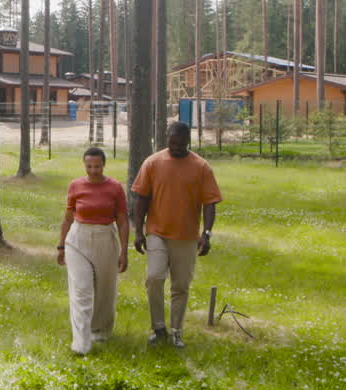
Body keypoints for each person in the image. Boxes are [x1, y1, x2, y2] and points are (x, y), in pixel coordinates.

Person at [131, 121, 222, 349]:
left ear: (188, 141)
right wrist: (138, 231)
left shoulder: (201, 167)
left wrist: (206, 233)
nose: (176, 147)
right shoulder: (153, 163)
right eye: (172, 143)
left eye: (181, 144)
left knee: (181, 286)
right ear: (167, 140)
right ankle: (158, 328)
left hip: (187, 235)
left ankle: (176, 332)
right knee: (154, 277)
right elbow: (141, 198)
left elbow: (210, 203)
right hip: (157, 232)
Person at [56, 146, 129, 355]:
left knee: (105, 290)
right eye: (89, 166)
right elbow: (68, 218)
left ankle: (100, 331)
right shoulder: (75, 186)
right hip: (78, 239)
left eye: (97, 166)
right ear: (84, 165)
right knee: (81, 290)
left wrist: (124, 251)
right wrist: (61, 245)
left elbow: (122, 221)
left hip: (105, 238)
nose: (93, 170)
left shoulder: (115, 187)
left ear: (104, 165)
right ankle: (81, 341)